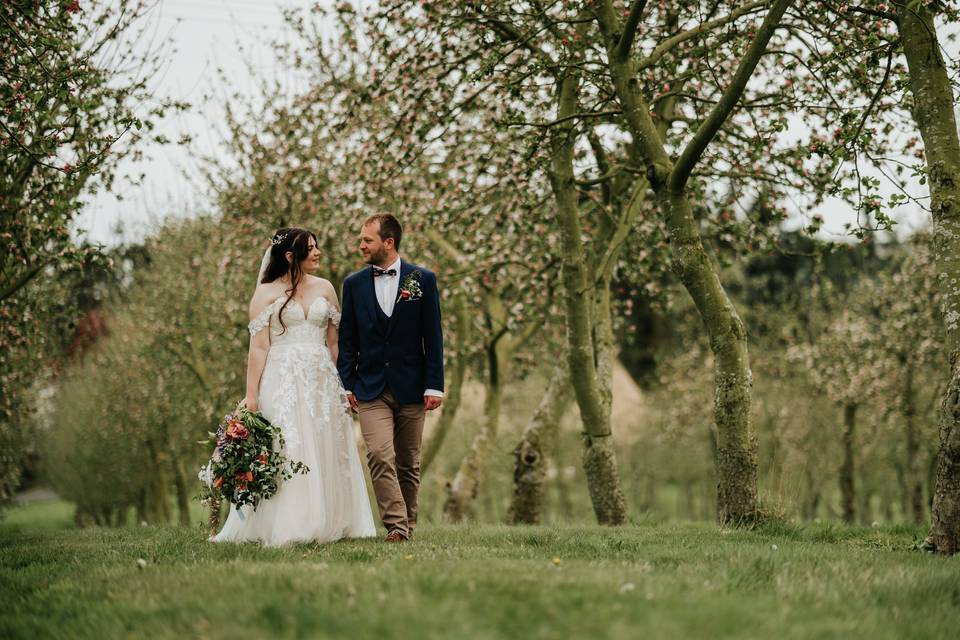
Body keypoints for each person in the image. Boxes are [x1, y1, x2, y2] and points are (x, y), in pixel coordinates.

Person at [212, 227, 376, 546]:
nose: (317, 253)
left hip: (322, 380)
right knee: (291, 446)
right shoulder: (265, 294)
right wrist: (251, 396)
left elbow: (335, 343)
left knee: (326, 445)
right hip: (281, 379)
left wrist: (345, 384)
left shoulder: (326, 288)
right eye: (310, 248)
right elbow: (258, 347)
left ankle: (335, 519)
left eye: (317, 247)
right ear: (290, 256)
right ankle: (293, 523)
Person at [337, 214, 444, 542]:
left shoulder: (422, 280)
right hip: (370, 388)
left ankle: (407, 527)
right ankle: (397, 527)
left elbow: (433, 336)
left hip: (412, 386)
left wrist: (434, 384)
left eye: (366, 240)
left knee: (409, 463)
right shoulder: (352, 285)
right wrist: (346, 385)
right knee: (380, 455)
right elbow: (348, 340)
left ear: (389, 242)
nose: (360, 246)